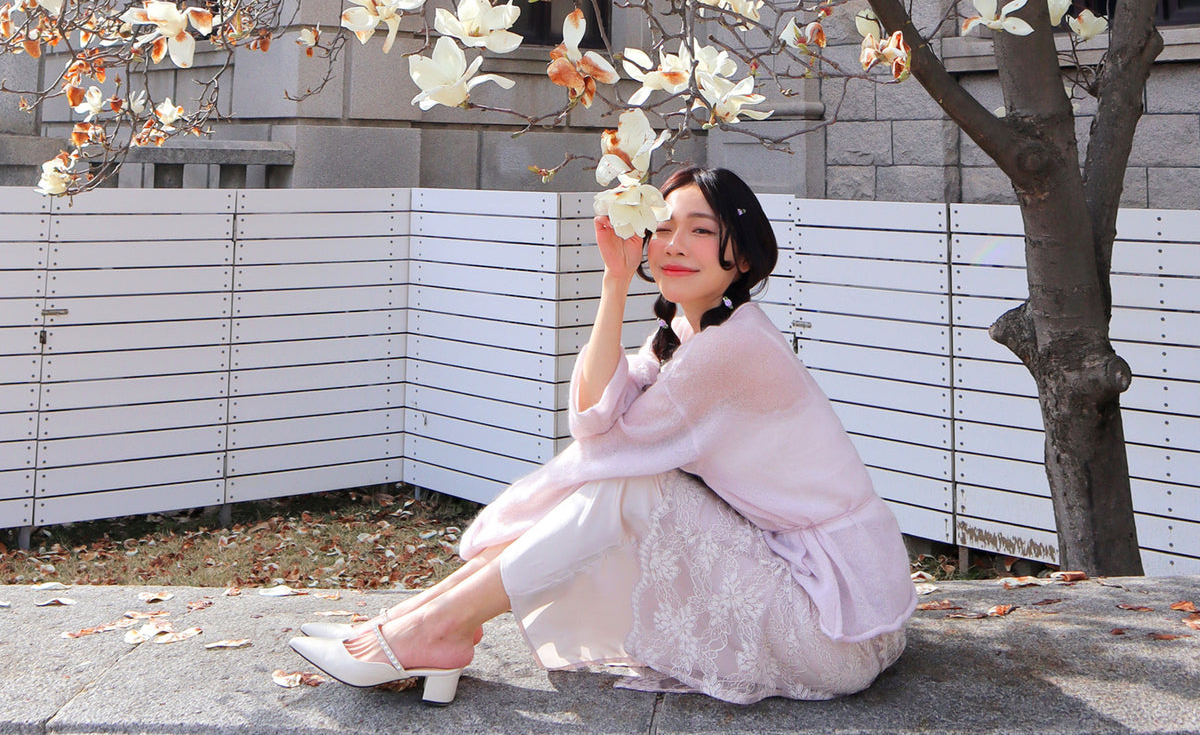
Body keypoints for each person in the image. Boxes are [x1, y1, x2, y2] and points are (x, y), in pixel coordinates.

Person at [290, 165, 917, 704]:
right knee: (626, 479)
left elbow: (605, 453)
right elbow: (594, 418)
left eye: (700, 230)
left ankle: (431, 631)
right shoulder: (686, 336)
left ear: (743, 257)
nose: (674, 244)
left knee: (631, 486)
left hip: (834, 625)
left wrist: (518, 515)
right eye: (663, 228)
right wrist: (614, 282)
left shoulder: (736, 351)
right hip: (826, 595)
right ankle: (413, 625)